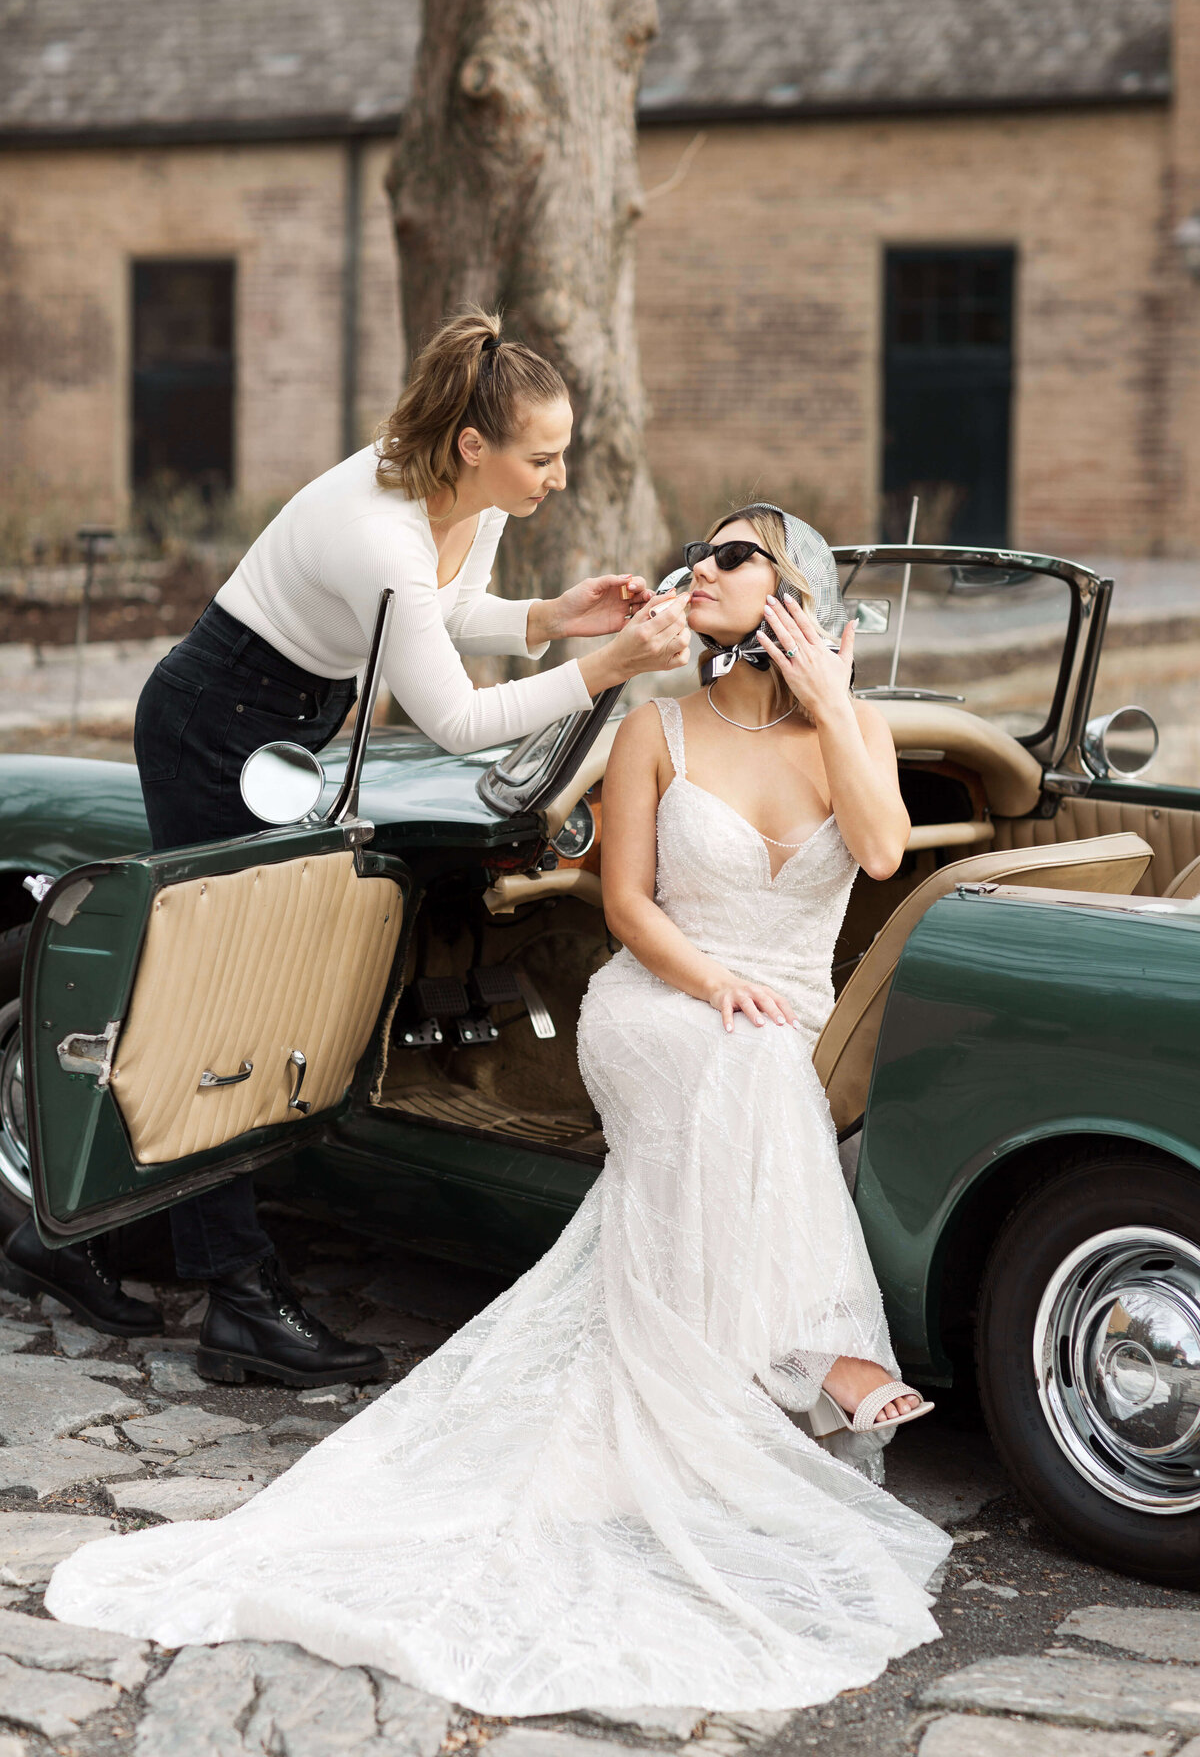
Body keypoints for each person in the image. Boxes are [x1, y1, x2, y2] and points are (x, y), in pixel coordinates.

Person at [46, 503, 951, 1716]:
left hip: (768, 1017)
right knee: (747, 1060)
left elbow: (885, 852)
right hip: (656, 1002)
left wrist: (834, 702)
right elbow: (626, 909)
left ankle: (750, 1377)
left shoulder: (861, 730)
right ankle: (826, 1354)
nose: (707, 568)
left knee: (754, 1063)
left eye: (739, 554)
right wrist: (713, 980)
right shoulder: (652, 729)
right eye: (701, 554)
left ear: (801, 593)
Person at [3, 306, 690, 1389]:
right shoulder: (378, 527)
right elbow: (457, 720)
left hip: (282, 727)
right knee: (229, 998)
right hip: (210, 726)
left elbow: (441, 618)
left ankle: (57, 1236)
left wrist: (555, 618)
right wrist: (606, 670)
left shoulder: (475, 505)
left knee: (207, 988)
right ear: (474, 445)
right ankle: (237, 1301)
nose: (557, 477)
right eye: (543, 457)